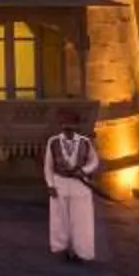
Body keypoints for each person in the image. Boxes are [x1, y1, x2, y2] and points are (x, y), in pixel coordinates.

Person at [43, 108, 101, 264]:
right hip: (60, 184)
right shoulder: (53, 142)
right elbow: (48, 166)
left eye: (71, 126)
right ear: (61, 126)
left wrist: (83, 170)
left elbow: (94, 161)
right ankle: (63, 248)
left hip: (80, 186)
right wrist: (50, 185)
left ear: (76, 126)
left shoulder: (85, 142)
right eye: (65, 126)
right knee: (60, 219)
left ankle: (82, 251)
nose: (68, 129)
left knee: (82, 220)